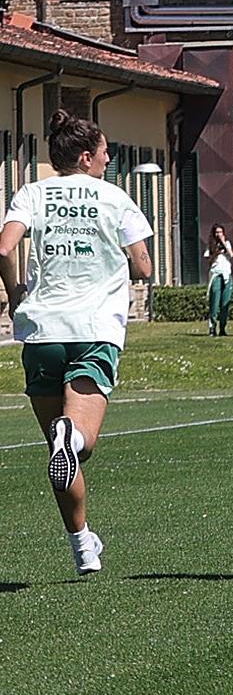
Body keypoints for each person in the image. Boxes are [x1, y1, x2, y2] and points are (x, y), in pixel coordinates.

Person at [0, 112, 153, 577]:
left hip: (43, 329)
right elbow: (143, 266)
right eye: (105, 152)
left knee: (57, 451)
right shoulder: (114, 197)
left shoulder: (32, 192)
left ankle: (83, 546)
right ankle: (75, 436)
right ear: (86, 157)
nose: (109, 159)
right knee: (77, 443)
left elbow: (4, 248)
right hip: (93, 330)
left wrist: (15, 295)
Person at [204, 225, 233, 336]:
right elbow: (209, 261)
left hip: (226, 275)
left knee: (225, 303)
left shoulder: (227, 243)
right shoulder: (210, 246)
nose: (219, 234)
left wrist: (224, 244)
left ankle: (223, 328)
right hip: (216, 275)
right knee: (214, 302)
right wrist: (216, 252)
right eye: (217, 232)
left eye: (221, 232)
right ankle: (212, 327)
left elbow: (231, 254)